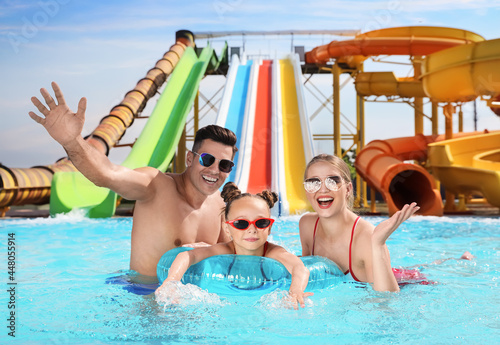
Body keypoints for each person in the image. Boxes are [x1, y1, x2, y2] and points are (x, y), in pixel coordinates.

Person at [29, 82, 237, 282]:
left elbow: (229, 262)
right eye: (207, 160)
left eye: (224, 165)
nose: (214, 170)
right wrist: (71, 141)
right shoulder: (155, 186)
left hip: (188, 304)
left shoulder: (219, 204)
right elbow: (106, 174)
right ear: (190, 159)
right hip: (143, 301)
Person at [156, 182, 313, 308]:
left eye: (261, 222)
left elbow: (300, 268)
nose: (252, 230)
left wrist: (295, 290)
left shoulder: (273, 252)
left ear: (270, 228)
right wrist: (171, 281)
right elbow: (188, 255)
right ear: (227, 228)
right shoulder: (224, 250)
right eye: (241, 223)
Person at [299, 154, 420, 292]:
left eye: (332, 181)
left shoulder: (366, 237)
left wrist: (377, 244)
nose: (323, 189)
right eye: (313, 183)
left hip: (408, 283)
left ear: (348, 189)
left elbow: (386, 303)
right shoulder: (307, 225)